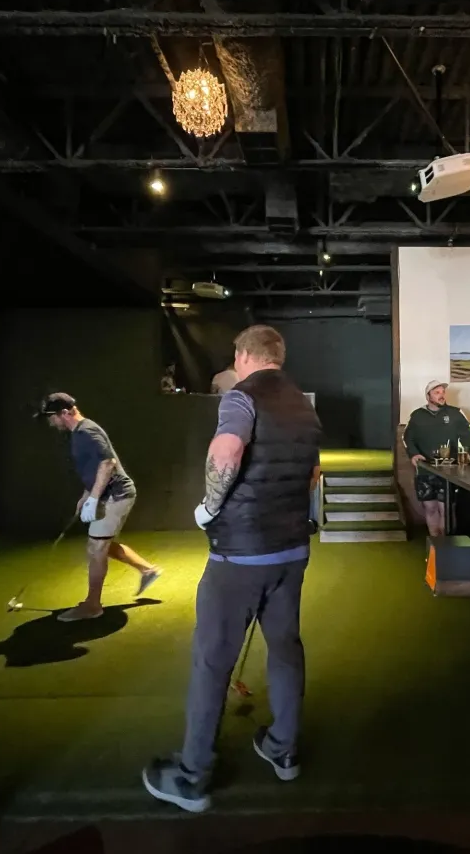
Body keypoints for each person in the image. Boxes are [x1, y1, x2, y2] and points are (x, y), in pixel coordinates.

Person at [143, 325, 322, 814]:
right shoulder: (303, 405)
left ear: (244, 355)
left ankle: (192, 775)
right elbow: (312, 473)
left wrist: (208, 508)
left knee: (212, 661)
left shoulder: (241, 397)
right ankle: (283, 749)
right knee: (285, 648)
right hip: (291, 550)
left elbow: (226, 451)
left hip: (239, 555)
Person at [37, 393, 163, 622]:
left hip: (117, 495)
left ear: (64, 413)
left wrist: (94, 499)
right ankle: (148, 570)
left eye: (51, 417)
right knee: (102, 544)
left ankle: (93, 606)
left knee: (96, 547)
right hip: (107, 495)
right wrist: (86, 496)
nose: (50, 422)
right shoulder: (78, 433)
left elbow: (108, 463)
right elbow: (94, 469)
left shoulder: (87, 431)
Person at [402, 381, 470, 537]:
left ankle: (447, 543)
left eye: (442, 392)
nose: (441, 395)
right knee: (430, 507)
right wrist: (413, 454)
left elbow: (467, 436)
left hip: (449, 471)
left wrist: (468, 453)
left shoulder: (456, 413)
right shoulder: (417, 415)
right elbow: (407, 438)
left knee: (446, 508)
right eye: (437, 392)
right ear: (428, 396)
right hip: (425, 469)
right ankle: (435, 542)